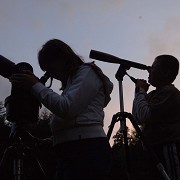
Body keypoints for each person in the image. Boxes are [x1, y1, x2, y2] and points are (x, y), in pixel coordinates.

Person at [9, 39, 113, 180]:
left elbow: (67, 108)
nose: (50, 73)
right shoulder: (72, 82)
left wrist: (35, 86)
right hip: (70, 151)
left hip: (86, 151)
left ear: (62, 58)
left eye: (49, 67)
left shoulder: (88, 72)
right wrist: (55, 138)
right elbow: (77, 119)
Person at [132, 54, 180, 179]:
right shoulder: (153, 94)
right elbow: (136, 118)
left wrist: (141, 92)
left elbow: (144, 116)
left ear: (166, 72)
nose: (149, 70)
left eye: (153, 67)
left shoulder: (169, 92)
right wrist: (138, 93)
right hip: (153, 149)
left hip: (166, 148)